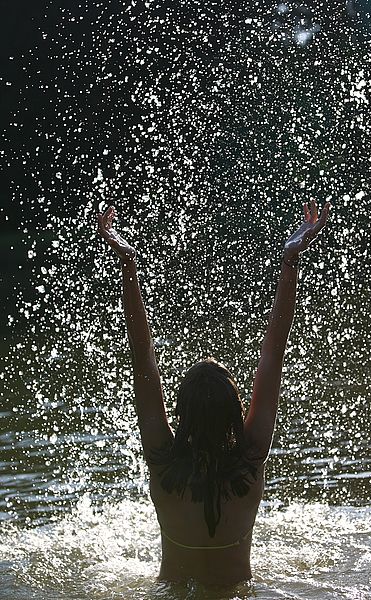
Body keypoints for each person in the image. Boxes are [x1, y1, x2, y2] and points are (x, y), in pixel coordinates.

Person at [97, 199, 330, 586]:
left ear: (180, 413)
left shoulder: (163, 461)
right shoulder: (251, 459)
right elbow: (274, 351)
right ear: (236, 411)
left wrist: (128, 265)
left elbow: (143, 355)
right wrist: (289, 262)